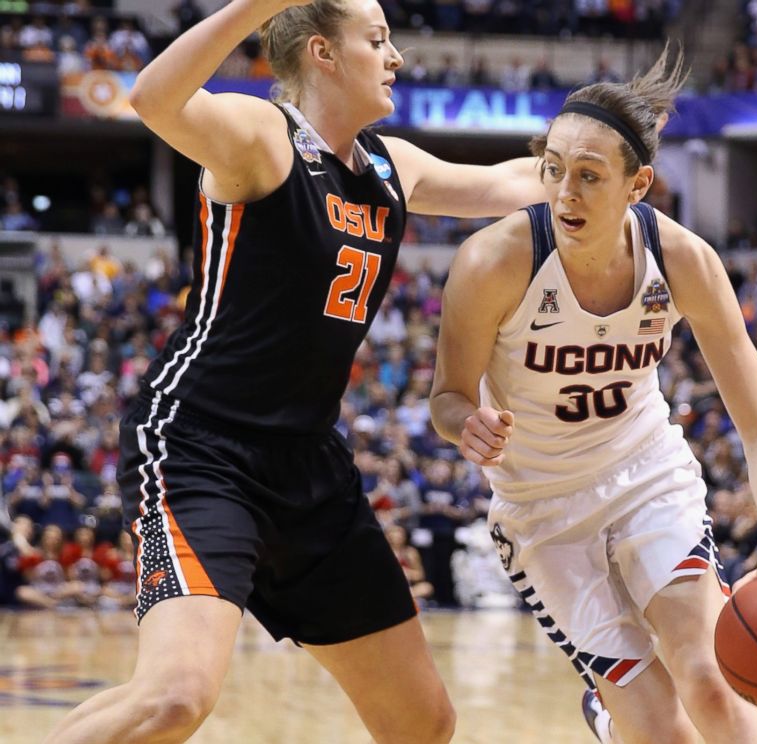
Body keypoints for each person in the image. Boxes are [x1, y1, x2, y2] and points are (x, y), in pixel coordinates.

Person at [43, 2, 546, 743]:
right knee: (174, 698)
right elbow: (153, 97)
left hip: (309, 465)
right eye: (377, 40)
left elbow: (512, 183)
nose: (397, 56)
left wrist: (604, 150)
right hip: (196, 450)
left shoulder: (389, 165)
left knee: (423, 722)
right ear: (323, 52)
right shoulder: (261, 138)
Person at [429, 47, 757, 744]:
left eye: (589, 176)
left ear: (638, 184)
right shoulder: (493, 261)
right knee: (662, 730)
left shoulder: (681, 261)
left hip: (647, 476)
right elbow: (446, 396)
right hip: (542, 511)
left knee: (712, 679)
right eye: (553, 169)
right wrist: (464, 421)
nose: (564, 194)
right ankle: (611, 711)